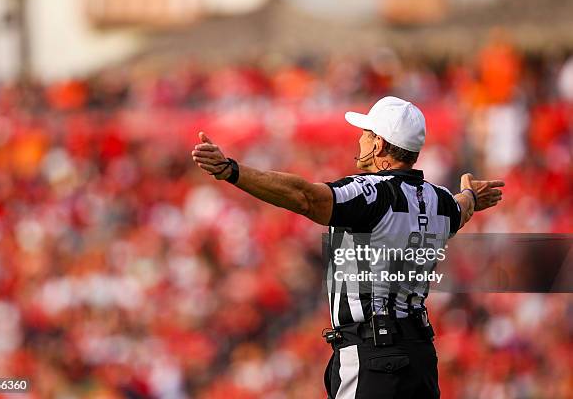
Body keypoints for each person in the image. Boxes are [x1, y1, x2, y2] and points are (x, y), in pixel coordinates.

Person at [191, 96, 504, 398]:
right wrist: (472, 197)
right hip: (420, 356)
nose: (360, 141)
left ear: (379, 144)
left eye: (366, 134)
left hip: (372, 357)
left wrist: (231, 171)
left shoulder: (372, 193)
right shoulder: (440, 200)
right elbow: (460, 209)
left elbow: (305, 197)